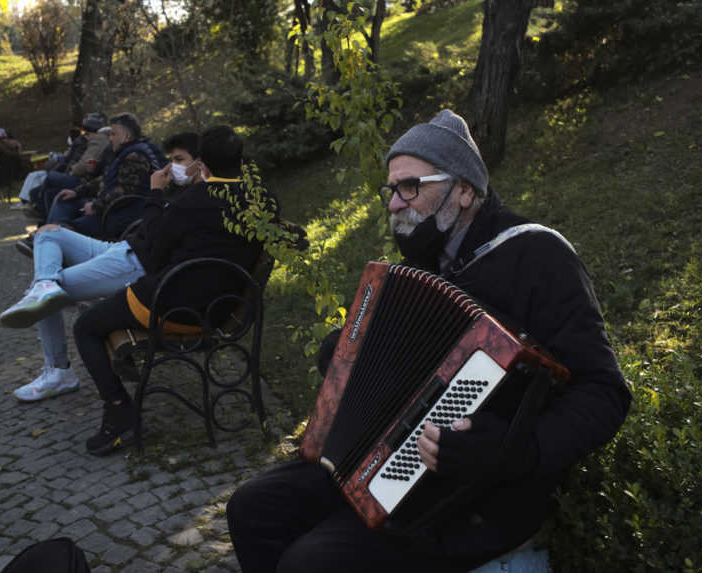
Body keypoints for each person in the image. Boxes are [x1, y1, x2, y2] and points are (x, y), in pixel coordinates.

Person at [226, 110, 632, 572]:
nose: (395, 203)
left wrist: (517, 449)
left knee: (311, 563)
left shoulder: (537, 255)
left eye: (410, 186)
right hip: (386, 467)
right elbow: (399, 368)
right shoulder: (421, 266)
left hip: (480, 495)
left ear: (463, 191)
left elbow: (605, 393)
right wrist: (344, 358)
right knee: (252, 508)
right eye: (391, 190)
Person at [70, 125, 277, 456]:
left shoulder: (194, 200)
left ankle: (120, 411)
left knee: (86, 326)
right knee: (103, 308)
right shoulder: (264, 198)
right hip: (224, 305)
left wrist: (155, 194)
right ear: (240, 160)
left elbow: (151, 252)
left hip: (171, 303)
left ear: (202, 165)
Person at [0, 132, 203, 403]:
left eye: (179, 159)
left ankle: (59, 373)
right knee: (48, 233)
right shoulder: (181, 188)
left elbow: (159, 241)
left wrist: (155, 192)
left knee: (39, 300)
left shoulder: (200, 198)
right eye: (170, 159)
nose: (170, 166)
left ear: (200, 163)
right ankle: (44, 282)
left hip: (134, 263)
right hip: (123, 247)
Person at [43, 113, 166, 238]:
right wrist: (76, 192)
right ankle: (49, 237)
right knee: (64, 199)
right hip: (109, 207)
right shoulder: (124, 151)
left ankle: (49, 238)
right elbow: (106, 178)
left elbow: (124, 191)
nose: (110, 138)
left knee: (69, 227)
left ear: (127, 136)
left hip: (120, 215)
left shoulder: (136, 156)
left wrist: (95, 206)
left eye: (113, 134)